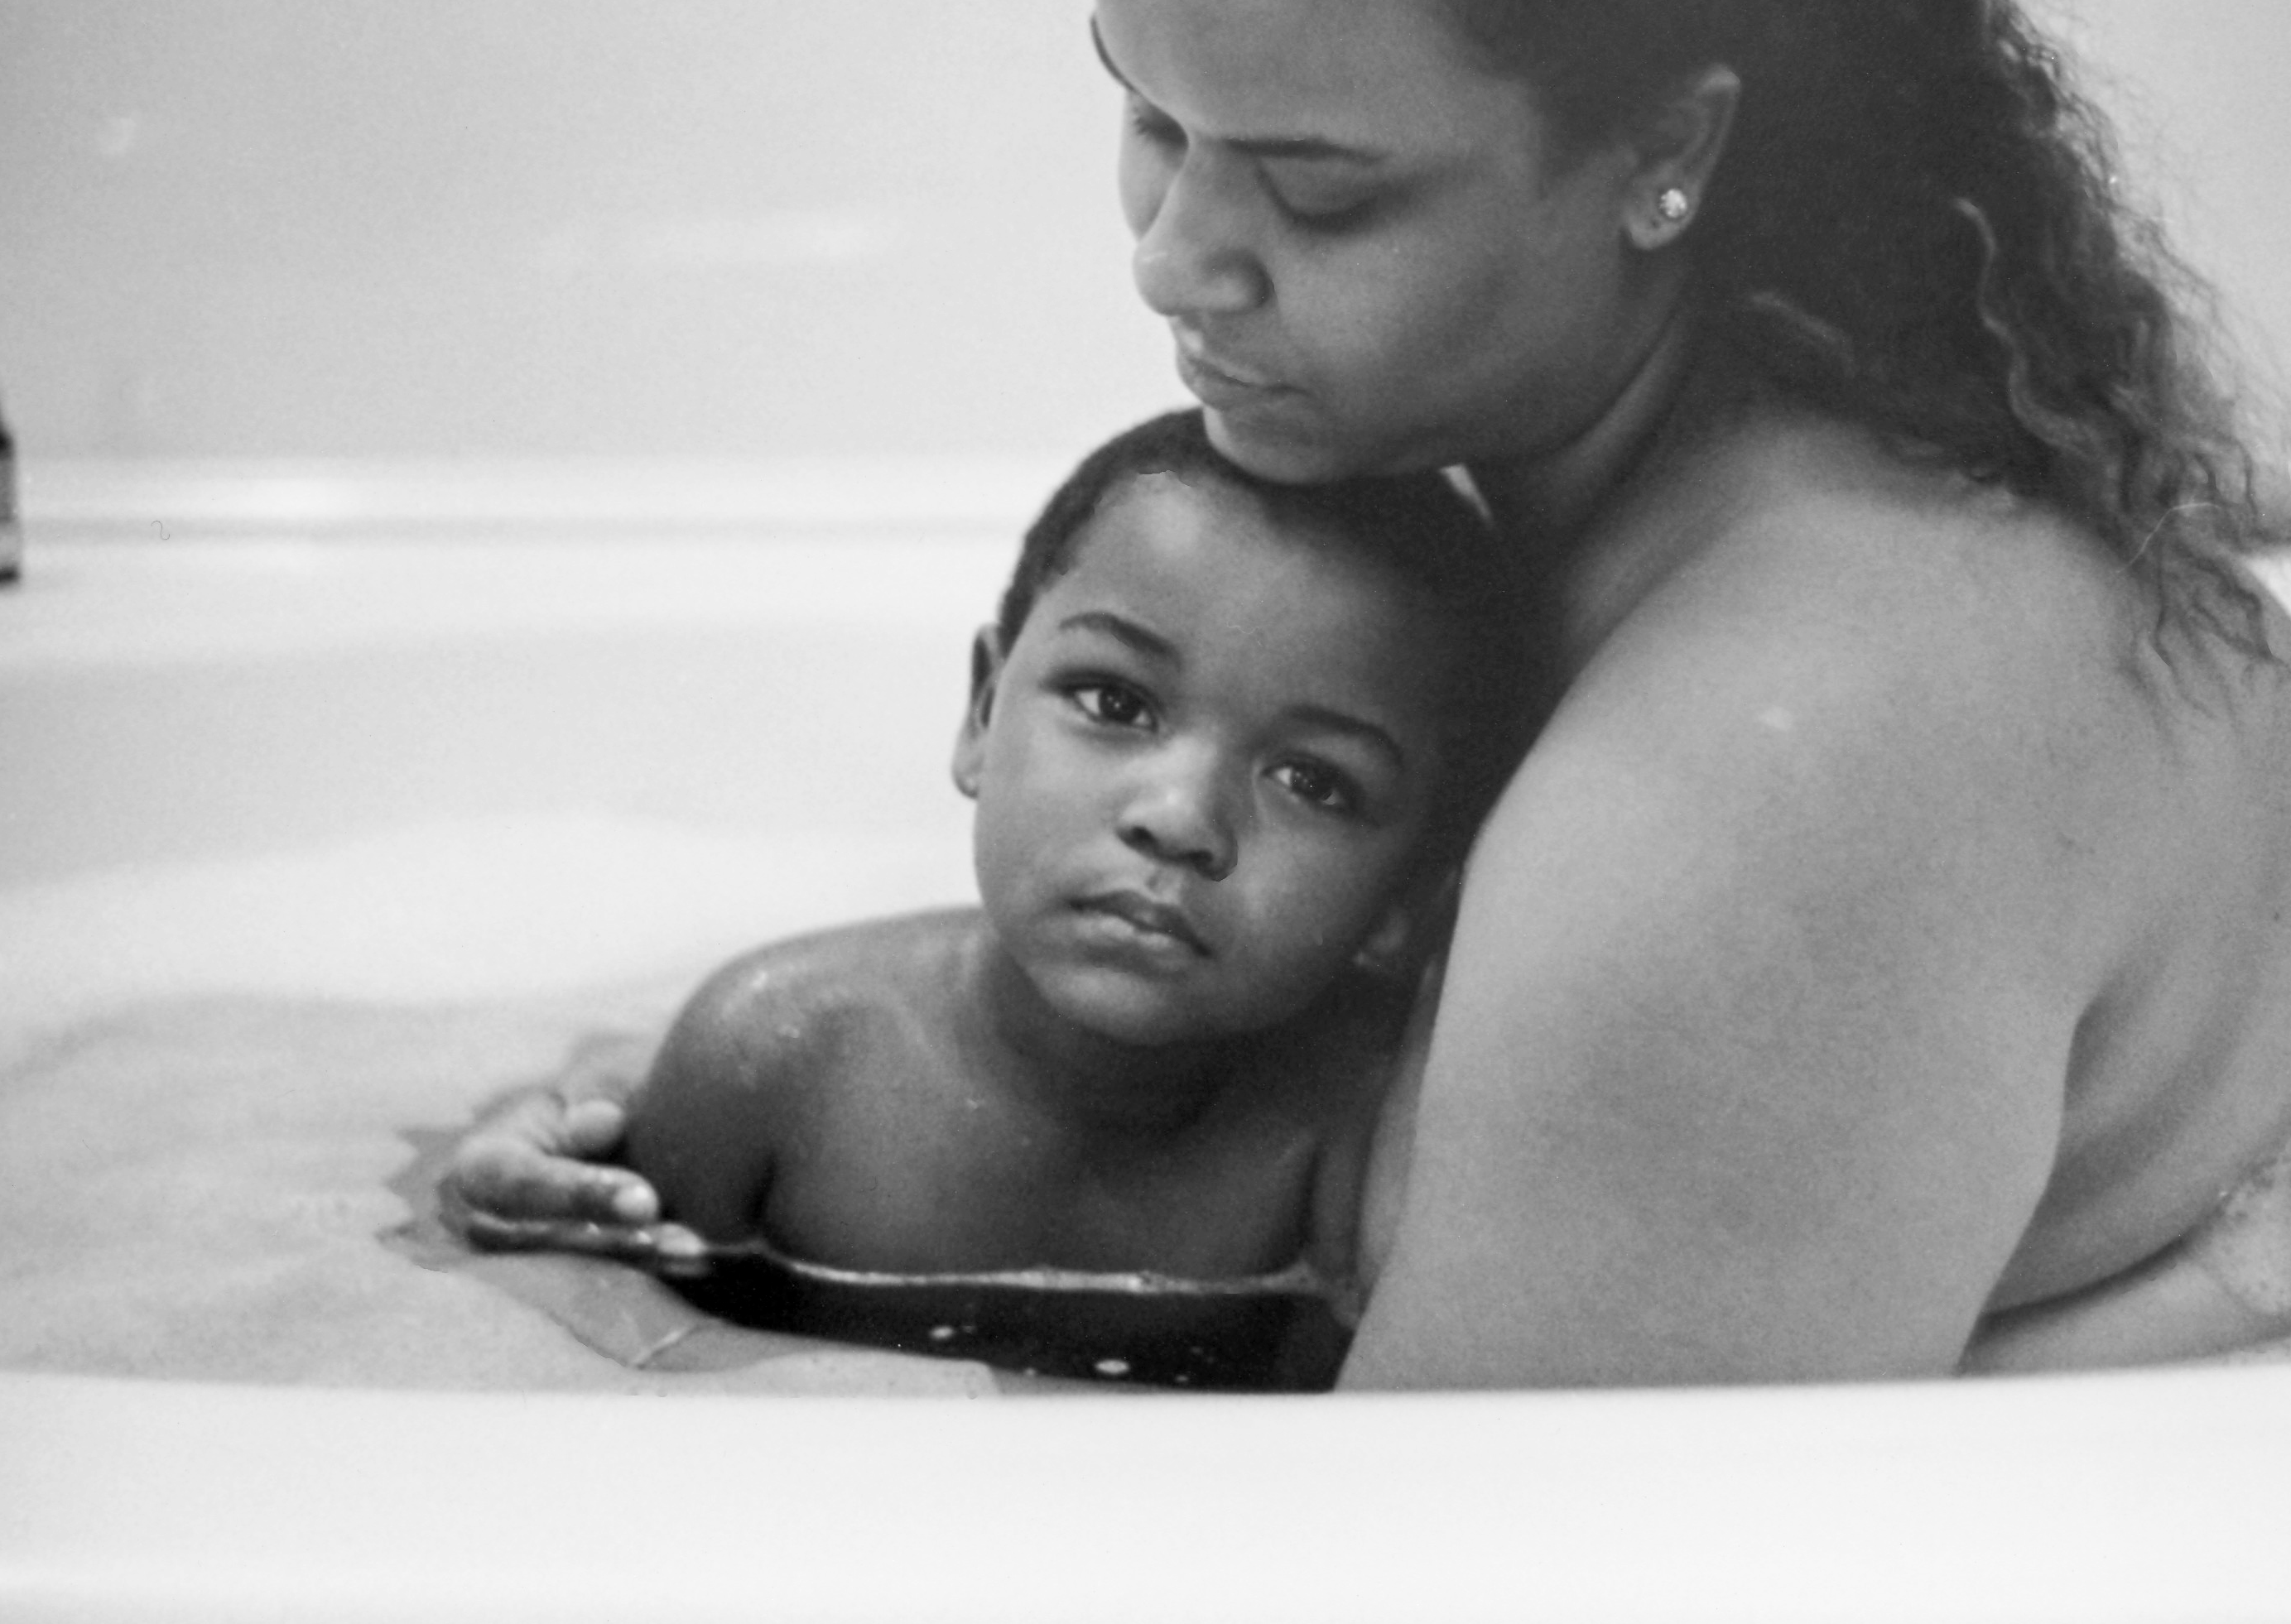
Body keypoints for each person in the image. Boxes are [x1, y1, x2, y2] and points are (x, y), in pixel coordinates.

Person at [449, 0, 2291, 1386]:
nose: (1176, 259)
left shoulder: (1763, 772)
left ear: (1662, 153)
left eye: (1319, 191)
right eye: (1143, 111)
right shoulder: (1773, 458)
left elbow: (1454, 1581)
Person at [447, 410, 1528, 1379]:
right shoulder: (783, 1058)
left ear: (1410, 888)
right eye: (1114, 699)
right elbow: (601, 1355)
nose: (1180, 818)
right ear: (979, 713)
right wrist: (502, 1181)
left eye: (1314, 780)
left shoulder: (1358, 1125)